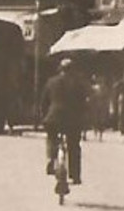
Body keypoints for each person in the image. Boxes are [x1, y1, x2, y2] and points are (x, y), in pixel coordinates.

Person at [40, 57, 88, 185]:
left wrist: (44, 116)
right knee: (74, 146)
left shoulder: (51, 82)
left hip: (53, 117)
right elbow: (83, 104)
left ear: (60, 69)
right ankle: (75, 175)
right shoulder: (79, 84)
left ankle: (51, 158)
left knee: (51, 138)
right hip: (72, 120)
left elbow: (44, 102)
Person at [87, 75, 109, 141]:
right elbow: (91, 97)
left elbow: (106, 97)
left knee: (100, 121)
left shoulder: (104, 88)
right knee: (95, 121)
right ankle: (96, 133)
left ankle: (100, 136)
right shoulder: (93, 88)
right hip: (96, 106)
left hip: (101, 106)